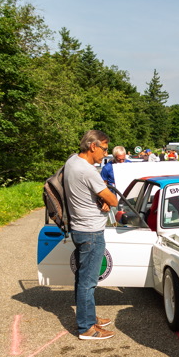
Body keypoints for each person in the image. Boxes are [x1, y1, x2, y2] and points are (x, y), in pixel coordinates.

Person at [64, 130, 119, 340]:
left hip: (79, 228)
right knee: (88, 282)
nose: (105, 154)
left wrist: (100, 196)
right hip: (91, 231)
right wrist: (106, 197)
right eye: (104, 149)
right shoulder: (87, 170)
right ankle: (86, 327)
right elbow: (113, 200)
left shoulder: (72, 162)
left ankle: (88, 317)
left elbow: (87, 192)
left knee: (82, 278)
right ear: (93, 146)